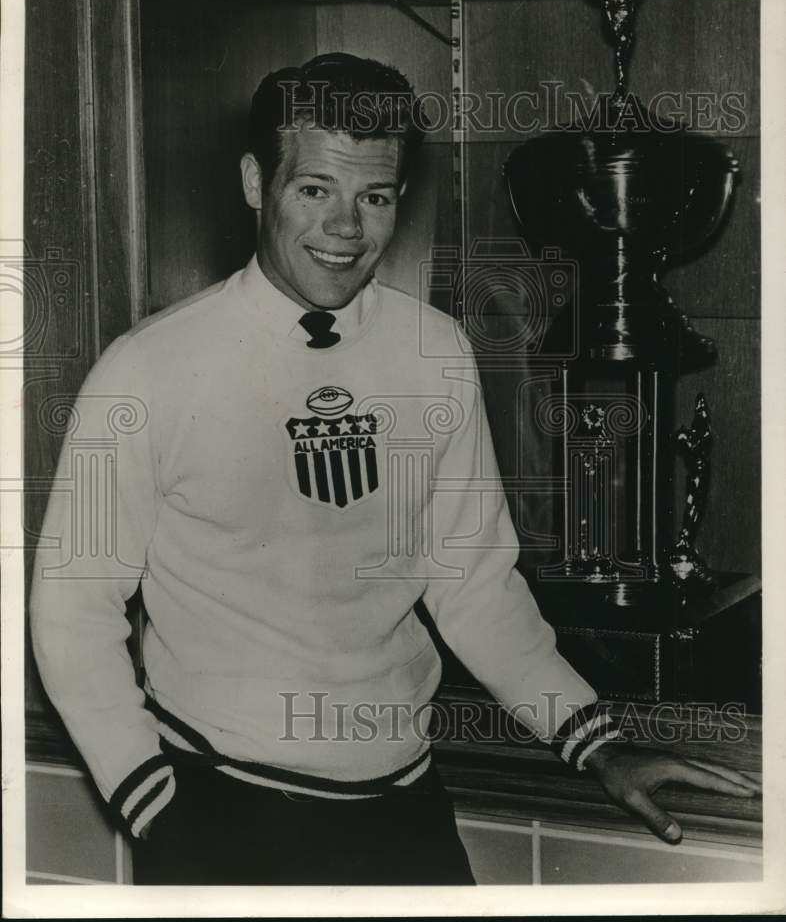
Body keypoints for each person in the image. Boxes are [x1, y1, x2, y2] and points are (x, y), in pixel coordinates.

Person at [30, 53, 760, 886]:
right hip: (220, 810)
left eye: (373, 197)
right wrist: (146, 793)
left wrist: (595, 741)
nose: (346, 229)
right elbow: (72, 606)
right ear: (252, 181)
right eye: (315, 190)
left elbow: (473, 584)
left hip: (406, 807)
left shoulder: (436, 350)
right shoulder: (144, 368)